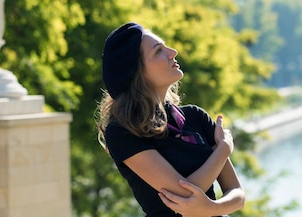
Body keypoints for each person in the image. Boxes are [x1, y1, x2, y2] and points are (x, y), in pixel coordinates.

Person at [96, 22, 245, 217]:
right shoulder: (122, 131)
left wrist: (213, 208)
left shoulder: (195, 116)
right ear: (137, 71)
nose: (172, 52)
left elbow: (238, 194)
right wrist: (223, 149)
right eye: (158, 51)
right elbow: (181, 197)